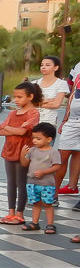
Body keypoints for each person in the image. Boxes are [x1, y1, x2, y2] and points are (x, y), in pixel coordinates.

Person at [0, 82, 41, 225]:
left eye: (19, 97)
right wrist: (13, 128)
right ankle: (11, 212)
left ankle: (20, 213)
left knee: (21, 182)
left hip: (24, 151)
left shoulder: (33, 113)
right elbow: (0, 130)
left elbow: (24, 131)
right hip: (9, 150)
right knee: (11, 182)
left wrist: (9, 128)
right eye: (15, 97)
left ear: (30, 97)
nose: (16, 100)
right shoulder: (12, 113)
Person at [21, 123, 61, 234]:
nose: (34, 141)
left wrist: (44, 172)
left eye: (38, 139)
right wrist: (22, 154)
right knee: (36, 203)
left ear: (49, 139)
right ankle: (35, 222)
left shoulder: (53, 152)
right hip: (32, 182)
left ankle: (50, 224)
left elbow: (57, 166)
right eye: (34, 138)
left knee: (48, 204)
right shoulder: (33, 150)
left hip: (47, 183)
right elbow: (24, 164)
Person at [56, 68, 80, 198]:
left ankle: (72, 186)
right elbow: (72, 92)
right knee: (63, 154)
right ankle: (53, 194)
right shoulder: (77, 66)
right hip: (73, 119)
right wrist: (66, 118)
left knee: (78, 154)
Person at [35, 55, 69, 127]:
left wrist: (38, 103)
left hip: (49, 122)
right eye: (42, 65)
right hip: (33, 120)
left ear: (56, 67)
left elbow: (56, 105)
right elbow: (30, 103)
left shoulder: (61, 84)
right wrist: (47, 101)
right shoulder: (34, 83)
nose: (43, 67)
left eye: (47, 65)